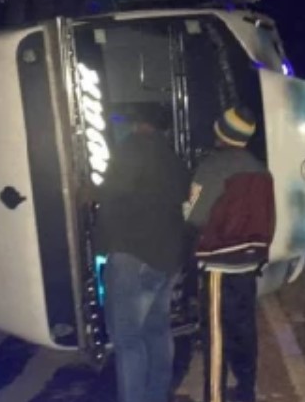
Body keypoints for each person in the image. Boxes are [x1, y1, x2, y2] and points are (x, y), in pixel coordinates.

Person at [99, 108, 190, 402]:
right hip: (167, 258)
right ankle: (157, 395)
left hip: (133, 256)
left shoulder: (129, 150)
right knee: (157, 331)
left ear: (138, 124)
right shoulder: (175, 159)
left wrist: (103, 244)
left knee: (128, 340)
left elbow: (111, 197)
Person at [185, 106, 275, 402]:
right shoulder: (261, 169)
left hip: (219, 262)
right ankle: (246, 391)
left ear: (220, 132)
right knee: (244, 329)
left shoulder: (213, 166)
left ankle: (215, 396)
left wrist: (184, 208)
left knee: (216, 336)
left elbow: (195, 214)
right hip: (249, 261)